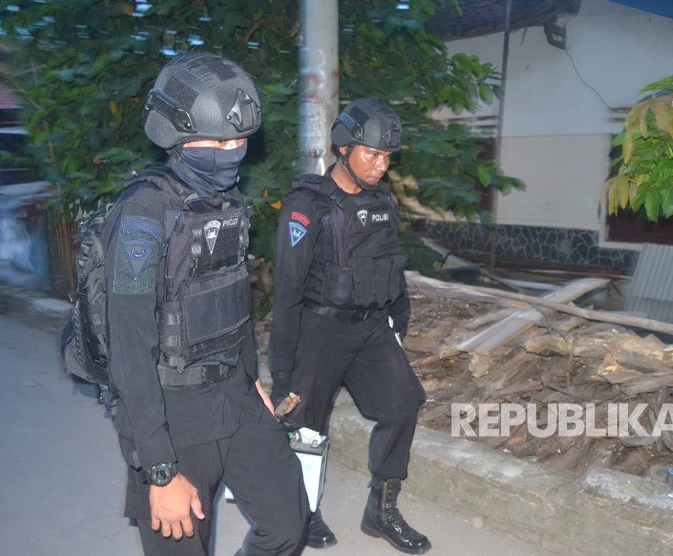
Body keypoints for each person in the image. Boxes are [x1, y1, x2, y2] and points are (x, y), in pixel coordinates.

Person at [103, 52, 308, 556]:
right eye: (217, 141)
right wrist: (159, 469)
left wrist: (250, 376)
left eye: (239, 141)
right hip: (169, 416)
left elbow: (231, 298)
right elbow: (128, 350)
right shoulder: (141, 215)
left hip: (234, 398)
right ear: (175, 134)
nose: (232, 151)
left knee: (288, 524)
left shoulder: (229, 202)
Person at [269, 98, 431, 555]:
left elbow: (390, 265)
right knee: (306, 428)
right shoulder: (308, 206)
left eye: (386, 158)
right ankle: (302, 512)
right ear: (343, 148)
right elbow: (287, 292)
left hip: (371, 329)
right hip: (319, 329)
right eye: (372, 155)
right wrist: (282, 373)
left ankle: (380, 511)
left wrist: (399, 315)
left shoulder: (382, 200)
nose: (381, 167)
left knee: (403, 404)